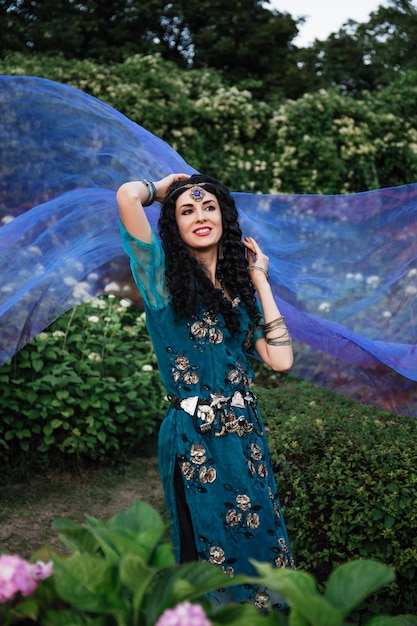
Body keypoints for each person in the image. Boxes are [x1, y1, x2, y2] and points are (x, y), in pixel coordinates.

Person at [116, 173, 295, 610]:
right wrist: (162, 187)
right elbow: (126, 196)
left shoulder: (237, 295)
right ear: (173, 225)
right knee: (211, 545)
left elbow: (281, 359)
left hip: (246, 436)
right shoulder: (160, 280)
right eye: (187, 210)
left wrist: (260, 282)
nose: (200, 216)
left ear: (224, 218)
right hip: (196, 439)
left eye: (209, 207)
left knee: (262, 532)